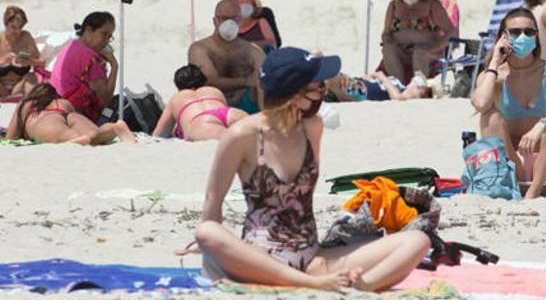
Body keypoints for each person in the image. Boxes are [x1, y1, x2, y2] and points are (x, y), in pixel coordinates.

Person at [194, 47, 430, 291]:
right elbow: (213, 200)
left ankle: (357, 288)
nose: (324, 92)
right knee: (207, 232)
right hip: (260, 260)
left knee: (417, 240)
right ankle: (317, 285)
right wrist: (213, 258)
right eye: (319, 87)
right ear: (296, 96)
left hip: (312, 258)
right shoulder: (241, 135)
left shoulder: (312, 128)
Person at [470, 8, 546, 199]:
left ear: (536, 36)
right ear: (502, 37)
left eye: (529, 32)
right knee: (489, 115)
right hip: (512, 166)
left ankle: (533, 192)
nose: (522, 36)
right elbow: (480, 103)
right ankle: (517, 185)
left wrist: (542, 125)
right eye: (515, 32)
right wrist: (495, 63)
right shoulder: (495, 76)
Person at [188, 0, 265, 115]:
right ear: (215, 21)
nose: (230, 23)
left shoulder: (252, 51)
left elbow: (265, 79)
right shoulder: (200, 48)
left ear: (240, 21)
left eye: (235, 18)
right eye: (224, 18)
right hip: (212, 107)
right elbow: (209, 81)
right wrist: (247, 81)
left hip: (246, 107)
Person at [6, 83, 136, 144]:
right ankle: (115, 127)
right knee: (95, 135)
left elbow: (11, 137)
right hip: (69, 114)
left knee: (65, 135)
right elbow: (71, 119)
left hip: (47, 119)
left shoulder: (27, 104)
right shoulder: (63, 102)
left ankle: (74, 138)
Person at [49, 12, 118, 121]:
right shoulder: (91, 58)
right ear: (88, 30)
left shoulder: (71, 46)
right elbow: (105, 99)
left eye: (110, 37)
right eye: (104, 34)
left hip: (55, 106)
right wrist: (114, 66)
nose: (106, 41)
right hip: (76, 114)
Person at [152, 64, 248, 141]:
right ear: (204, 82)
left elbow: (159, 135)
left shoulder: (177, 98)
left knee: (228, 140)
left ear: (178, 87)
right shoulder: (213, 90)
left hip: (201, 121)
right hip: (229, 113)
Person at [380, 0, 454, 82]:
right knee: (388, 50)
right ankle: (398, 86)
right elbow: (386, 33)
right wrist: (387, 39)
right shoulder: (394, 6)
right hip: (402, 52)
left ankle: (419, 88)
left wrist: (436, 47)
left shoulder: (431, 5)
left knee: (419, 53)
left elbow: (451, 31)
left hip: (429, 52)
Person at [0, 6, 43, 98]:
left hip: (18, 87)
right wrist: (2, 61)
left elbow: (42, 61)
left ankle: (31, 103)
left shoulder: (25, 37)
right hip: (1, 88)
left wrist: (30, 62)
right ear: (6, 23)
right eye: (13, 27)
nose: (18, 31)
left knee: (31, 76)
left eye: (20, 27)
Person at [325, 70, 434, 102]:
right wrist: (371, 76)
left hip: (360, 91)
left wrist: (382, 76)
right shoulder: (400, 86)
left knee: (329, 75)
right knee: (319, 56)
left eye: (417, 80)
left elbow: (397, 99)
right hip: (357, 83)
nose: (414, 79)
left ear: (422, 90)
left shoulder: (403, 95)